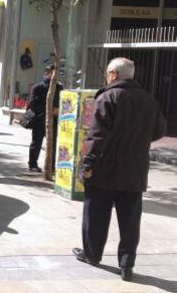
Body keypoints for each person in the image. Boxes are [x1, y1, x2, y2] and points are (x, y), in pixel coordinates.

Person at [72, 58, 166, 281]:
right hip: (134, 170)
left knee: (96, 214)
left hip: (105, 169)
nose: (106, 76)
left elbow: (96, 136)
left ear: (113, 74)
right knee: (130, 220)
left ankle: (93, 255)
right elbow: (159, 130)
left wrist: (87, 165)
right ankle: (127, 265)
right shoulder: (148, 100)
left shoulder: (108, 97)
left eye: (107, 73)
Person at [27, 64, 63, 173]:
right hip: (39, 120)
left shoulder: (59, 87)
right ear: (46, 74)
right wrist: (48, 109)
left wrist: (57, 110)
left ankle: (51, 166)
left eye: (55, 74)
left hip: (54, 121)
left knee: (52, 144)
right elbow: (32, 104)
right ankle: (32, 164)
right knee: (36, 143)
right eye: (51, 73)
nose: (53, 76)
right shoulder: (38, 87)